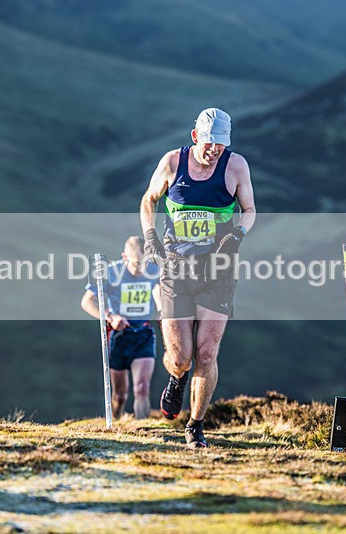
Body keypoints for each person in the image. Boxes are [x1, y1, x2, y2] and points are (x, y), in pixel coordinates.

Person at [140, 108, 256, 448]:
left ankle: (195, 425)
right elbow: (149, 199)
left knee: (207, 354)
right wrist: (150, 237)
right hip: (175, 270)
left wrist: (236, 235)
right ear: (195, 138)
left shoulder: (236, 166)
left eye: (220, 147)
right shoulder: (173, 163)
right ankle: (177, 379)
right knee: (181, 358)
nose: (213, 152)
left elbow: (249, 210)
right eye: (209, 145)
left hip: (218, 271)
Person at [81, 236, 161, 420]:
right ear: (125, 257)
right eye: (137, 264)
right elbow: (87, 301)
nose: (142, 269)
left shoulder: (154, 270)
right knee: (120, 395)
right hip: (118, 336)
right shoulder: (110, 272)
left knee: (142, 388)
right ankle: (116, 423)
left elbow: (161, 290)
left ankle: (143, 430)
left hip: (143, 333)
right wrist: (110, 317)